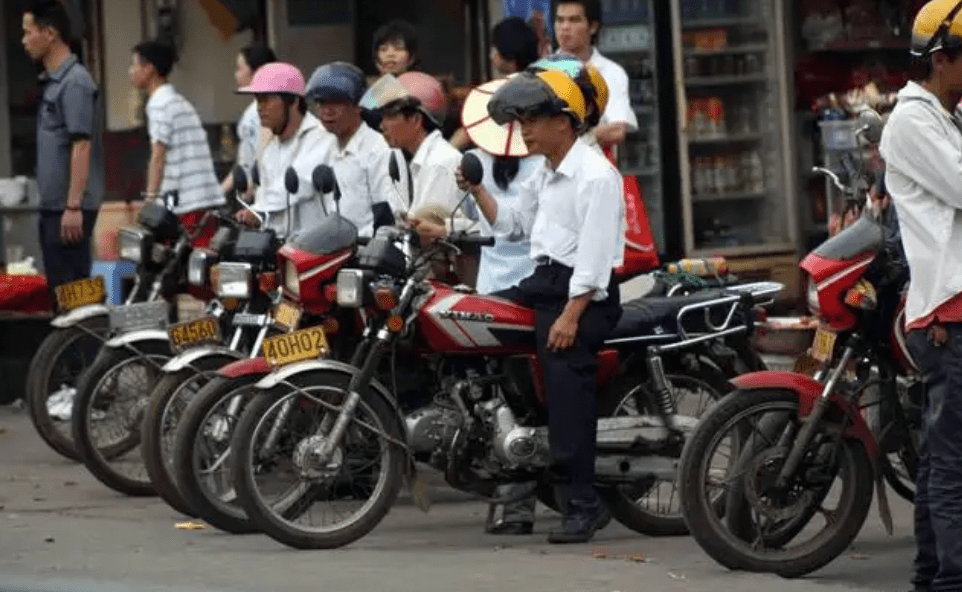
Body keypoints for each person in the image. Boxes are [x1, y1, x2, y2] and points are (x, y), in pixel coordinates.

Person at [463, 69, 624, 544]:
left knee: (563, 376)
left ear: (564, 122)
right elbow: (512, 224)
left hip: (583, 296)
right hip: (542, 283)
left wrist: (572, 317)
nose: (524, 130)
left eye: (533, 119)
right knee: (473, 317)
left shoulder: (596, 176)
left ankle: (583, 504)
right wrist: (476, 190)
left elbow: (594, 261)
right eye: (521, 120)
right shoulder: (545, 172)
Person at [877, 1, 962, 590]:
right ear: (941, 59)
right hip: (946, 311)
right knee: (954, 462)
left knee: (941, 457)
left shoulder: (943, 116)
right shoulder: (912, 122)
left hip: (947, 308)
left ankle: (932, 572)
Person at [21, 0, 104, 297]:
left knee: (76, 295)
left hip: (69, 211)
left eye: (29, 32)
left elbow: (81, 144)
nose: (24, 40)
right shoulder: (54, 82)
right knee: (61, 295)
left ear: (50, 33)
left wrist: (73, 206)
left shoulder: (75, 82)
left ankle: (88, 345)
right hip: (54, 207)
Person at [129, 40, 225, 246]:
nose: (131, 71)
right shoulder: (178, 101)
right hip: (203, 198)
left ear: (149, 69)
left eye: (135, 65)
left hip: (187, 202)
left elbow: (158, 155)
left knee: (181, 267)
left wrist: (150, 200)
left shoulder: (159, 103)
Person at [359, 72, 471, 233]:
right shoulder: (403, 158)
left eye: (390, 117)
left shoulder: (441, 162)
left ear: (416, 120)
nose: (382, 126)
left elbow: (429, 231)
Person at [234, 62, 334, 238]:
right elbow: (264, 198)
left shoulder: (320, 137)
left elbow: (299, 182)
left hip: (315, 251)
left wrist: (257, 210)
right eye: (258, 100)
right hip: (279, 248)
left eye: (266, 99)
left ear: (293, 102)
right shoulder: (271, 147)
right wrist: (256, 214)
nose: (259, 107)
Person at [305, 62, 398, 237]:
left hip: (366, 253)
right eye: (321, 102)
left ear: (358, 106)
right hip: (333, 249)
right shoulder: (325, 147)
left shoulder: (377, 149)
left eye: (336, 102)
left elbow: (388, 215)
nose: (326, 111)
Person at [553, 0, 637, 150]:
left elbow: (617, 130)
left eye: (574, 20)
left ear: (592, 27)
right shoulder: (540, 71)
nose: (564, 27)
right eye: (560, 20)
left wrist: (566, 138)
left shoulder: (612, 72)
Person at [451, 17, 541, 150]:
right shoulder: (544, 86)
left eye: (494, 49)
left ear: (508, 52)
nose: (491, 55)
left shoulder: (499, 96)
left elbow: (466, 134)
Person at [222, 45, 277, 196]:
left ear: (257, 70)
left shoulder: (257, 113)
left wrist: (250, 188)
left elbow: (259, 157)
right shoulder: (256, 110)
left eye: (240, 68)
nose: (236, 74)